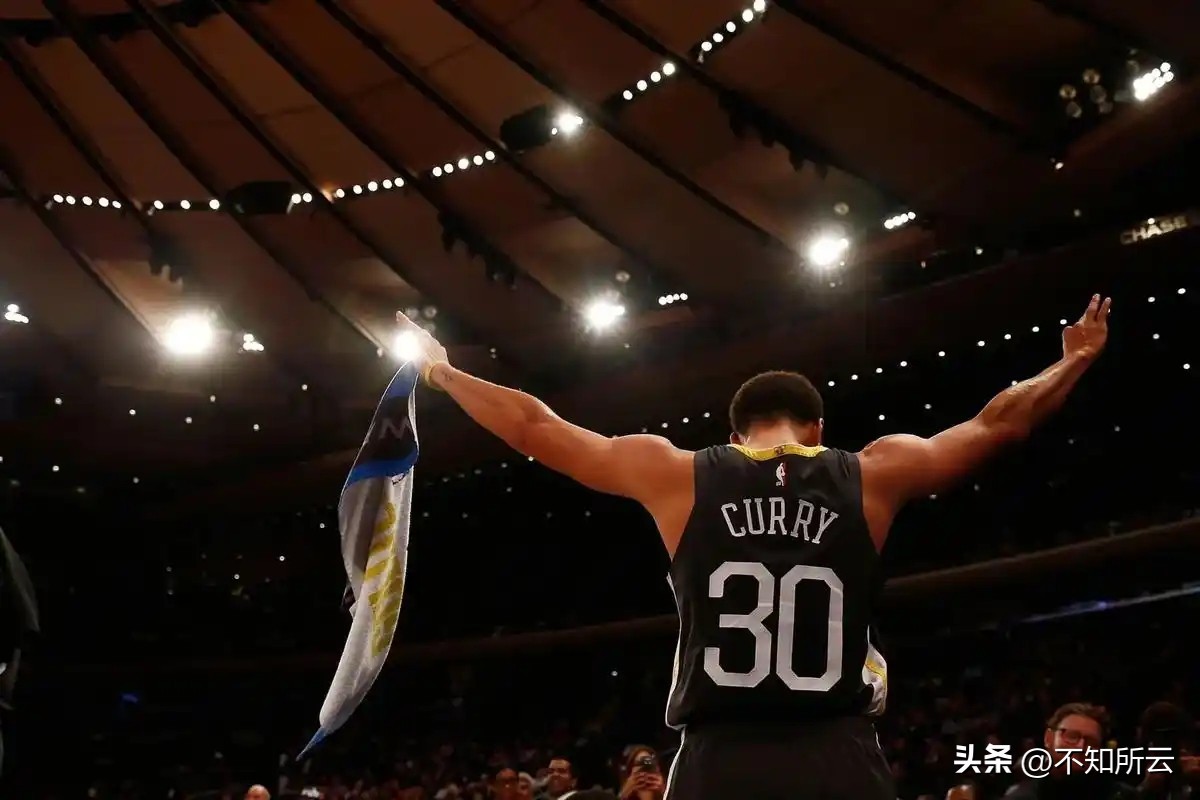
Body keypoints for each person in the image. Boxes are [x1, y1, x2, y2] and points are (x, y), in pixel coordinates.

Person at [398, 294, 1112, 799]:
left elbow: (536, 427)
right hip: (838, 753)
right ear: (819, 429)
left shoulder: (675, 473)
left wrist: (441, 370)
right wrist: (1072, 362)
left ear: (734, 433)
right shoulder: (873, 473)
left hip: (719, 756)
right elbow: (998, 425)